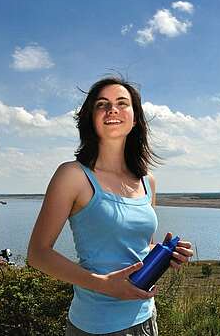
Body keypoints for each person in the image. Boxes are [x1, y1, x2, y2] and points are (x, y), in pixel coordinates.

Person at [27, 76, 194, 335]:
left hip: (146, 317)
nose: (112, 109)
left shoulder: (146, 180)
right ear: (91, 119)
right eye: (102, 104)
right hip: (96, 325)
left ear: (135, 118)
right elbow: (38, 254)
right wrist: (105, 284)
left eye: (121, 103)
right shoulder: (73, 175)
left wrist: (164, 254)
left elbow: (140, 247)